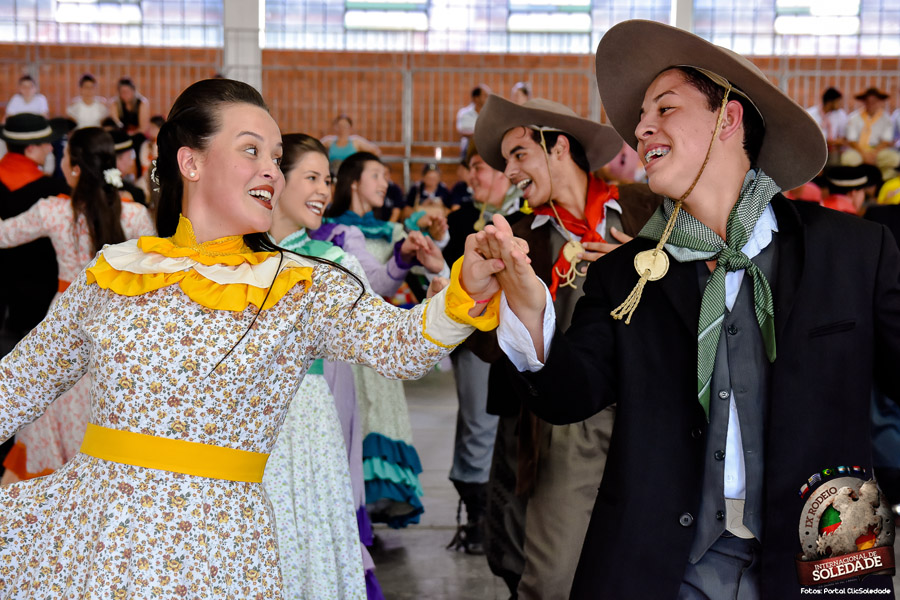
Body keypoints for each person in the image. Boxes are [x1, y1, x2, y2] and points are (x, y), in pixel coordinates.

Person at [0, 78, 501, 596]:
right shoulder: (116, 271)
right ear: (191, 163)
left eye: (277, 157)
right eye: (251, 150)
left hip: (221, 551)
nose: (271, 171)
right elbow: (18, 383)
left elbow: (401, 345)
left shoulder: (300, 286)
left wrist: (465, 289)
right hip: (99, 542)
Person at [482, 19, 900, 599]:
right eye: (641, 117)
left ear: (728, 118)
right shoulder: (627, 275)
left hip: (828, 560)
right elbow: (566, 396)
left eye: (665, 108)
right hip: (669, 569)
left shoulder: (854, 252)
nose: (640, 128)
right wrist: (528, 311)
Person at [470, 94, 662, 599]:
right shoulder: (516, 239)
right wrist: (470, 303)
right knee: (553, 576)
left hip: (655, 409)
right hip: (567, 424)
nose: (510, 171)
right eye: (505, 161)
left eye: (519, 154)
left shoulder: (648, 208)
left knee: (648, 563)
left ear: (558, 146)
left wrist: (649, 264)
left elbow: (702, 290)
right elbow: (492, 350)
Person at [264, 133, 384, 599]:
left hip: (306, 423)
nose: (323, 191)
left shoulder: (333, 262)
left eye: (327, 180)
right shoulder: (231, 257)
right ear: (275, 179)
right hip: (242, 423)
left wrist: (438, 309)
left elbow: (382, 333)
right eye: (311, 177)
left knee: (306, 534)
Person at [0, 126, 155, 484]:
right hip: (118, 329)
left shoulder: (54, 211)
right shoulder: (133, 215)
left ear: (73, 168)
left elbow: (4, 234)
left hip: (65, 325)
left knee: (53, 408)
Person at [315, 151, 450, 528]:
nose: (384, 182)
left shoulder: (389, 231)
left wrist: (430, 235)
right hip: (347, 348)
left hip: (382, 341)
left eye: (386, 176)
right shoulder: (332, 232)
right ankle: (351, 514)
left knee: (381, 418)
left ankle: (367, 512)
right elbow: (378, 280)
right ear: (353, 182)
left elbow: (408, 268)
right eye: (376, 175)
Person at [442, 140, 522, 556]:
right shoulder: (459, 222)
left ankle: (491, 514)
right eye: (469, 167)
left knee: (492, 423)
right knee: (477, 421)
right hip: (475, 338)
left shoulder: (524, 218)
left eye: (480, 167)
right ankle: (478, 515)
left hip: (514, 338)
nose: (472, 176)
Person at [0, 114, 69, 351]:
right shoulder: (52, 190)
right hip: (39, 297)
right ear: (30, 148)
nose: (51, 148)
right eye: (46, 143)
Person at [844, 87, 900, 175]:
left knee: (895, 159)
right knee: (848, 159)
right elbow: (852, 141)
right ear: (864, 102)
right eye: (868, 102)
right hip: (859, 150)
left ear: (879, 102)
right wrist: (864, 155)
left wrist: (873, 154)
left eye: (874, 102)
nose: (871, 105)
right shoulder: (854, 118)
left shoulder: (886, 119)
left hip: (878, 150)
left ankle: (883, 180)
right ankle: (857, 178)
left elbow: (886, 141)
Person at [806, 87, 848, 167]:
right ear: (830, 102)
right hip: (815, 148)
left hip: (833, 149)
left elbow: (843, 136)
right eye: (838, 102)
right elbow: (808, 137)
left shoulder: (840, 114)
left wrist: (835, 143)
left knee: (834, 157)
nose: (840, 104)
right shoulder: (811, 114)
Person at [110, 128, 147, 205]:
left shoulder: (96, 191)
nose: (131, 162)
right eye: (130, 156)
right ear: (117, 159)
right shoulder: (134, 195)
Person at [456, 85, 491, 155]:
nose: (488, 99)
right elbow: (462, 132)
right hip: (470, 149)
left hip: (486, 148)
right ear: (476, 98)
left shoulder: (490, 114)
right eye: (485, 96)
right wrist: (480, 135)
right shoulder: (464, 113)